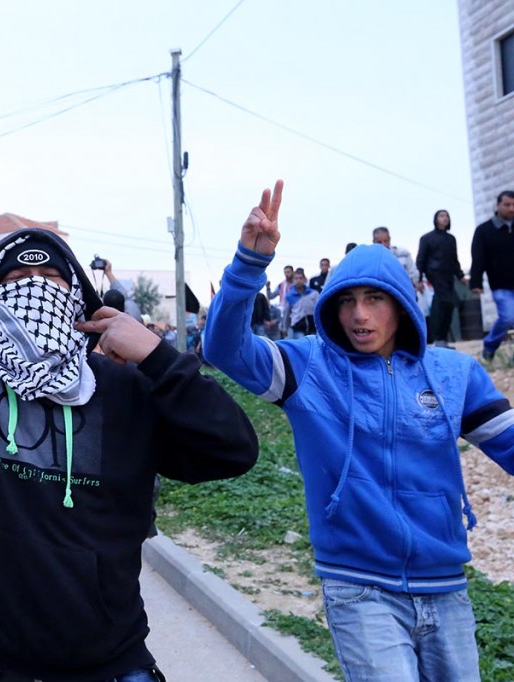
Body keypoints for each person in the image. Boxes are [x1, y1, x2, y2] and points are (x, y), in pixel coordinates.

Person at [0, 26, 259, 681]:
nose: (33, 288)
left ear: (85, 306)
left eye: (52, 278)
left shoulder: (123, 391)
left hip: (111, 660)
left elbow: (232, 448)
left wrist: (157, 358)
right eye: (13, 281)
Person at [204, 180, 514, 682]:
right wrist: (247, 264)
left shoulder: (455, 376)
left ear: (403, 303)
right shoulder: (307, 369)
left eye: (375, 299)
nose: (359, 315)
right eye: (346, 300)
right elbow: (224, 349)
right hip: (358, 588)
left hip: (446, 586)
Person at [470, 190, 514, 361]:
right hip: (501, 284)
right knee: (509, 316)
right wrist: (476, 282)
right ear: (498, 206)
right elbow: (478, 257)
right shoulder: (484, 231)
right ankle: (489, 346)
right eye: (507, 205)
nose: (511, 209)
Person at [416, 209, 466, 348]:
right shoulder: (427, 238)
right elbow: (420, 260)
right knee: (443, 302)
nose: (445, 218)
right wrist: (418, 279)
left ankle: (443, 339)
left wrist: (461, 276)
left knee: (450, 304)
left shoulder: (451, 239)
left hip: (448, 275)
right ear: (436, 219)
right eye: (442, 216)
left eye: (447, 216)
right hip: (435, 275)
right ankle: (437, 338)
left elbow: (454, 260)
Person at [283, 267, 319, 338]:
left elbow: (319, 309)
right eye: (296, 278)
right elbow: (286, 313)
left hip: (312, 326)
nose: (298, 280)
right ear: (293, 280)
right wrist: (284, 327)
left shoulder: (314, 293)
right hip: (297, 326)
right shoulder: (289, 296)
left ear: (304, 279)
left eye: (300, 278)